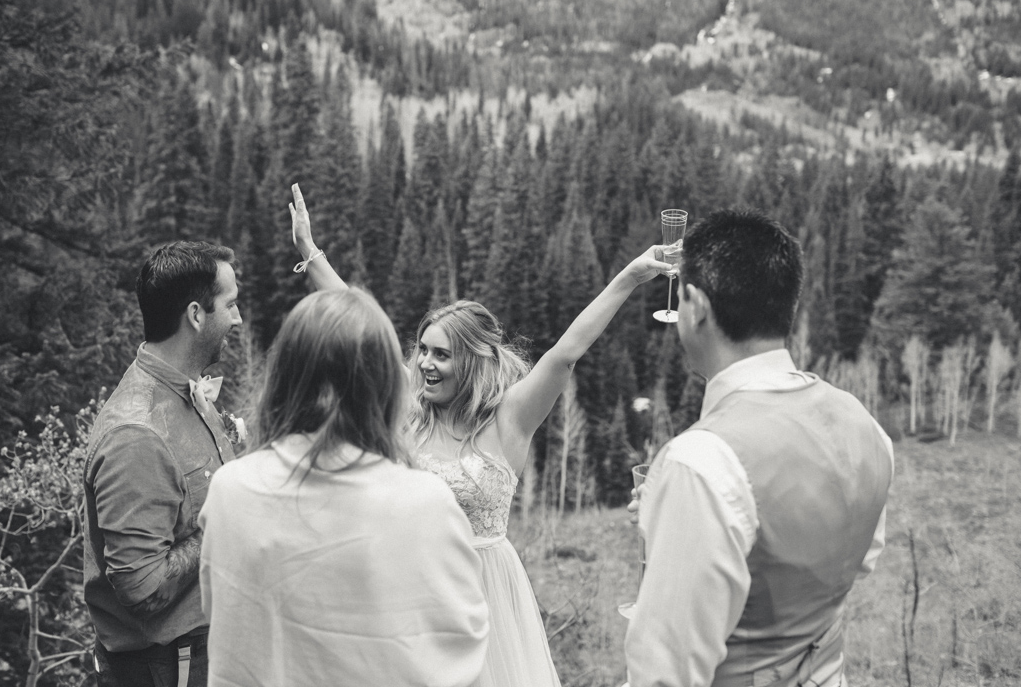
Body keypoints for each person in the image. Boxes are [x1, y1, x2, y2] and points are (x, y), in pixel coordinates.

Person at [288, 183, 673, 687]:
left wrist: (630, 276)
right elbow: (361, 328)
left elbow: (565, 353)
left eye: (441, 354)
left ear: (472, 360)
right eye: (422, 349)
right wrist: (309, 252)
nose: (425, 362)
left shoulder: (509, 418)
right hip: (411, 588)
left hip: (483, 592)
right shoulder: (409, 405)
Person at [621, 209, 894, 687]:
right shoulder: (863, 423)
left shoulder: (699, 463)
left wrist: (678, 517)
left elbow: (664, 670)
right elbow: (860, 557)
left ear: (696, 305)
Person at [199, 288, 490, 686]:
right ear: (385, 386)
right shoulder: (424, 503)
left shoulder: (229, 490)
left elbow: (223, 619)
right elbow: (461, 650)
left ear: (282, 377)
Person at [83, 241, 243, 687]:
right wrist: (227, 520)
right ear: (196, 315)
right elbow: (144, 588)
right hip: (167, 667)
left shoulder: (184, 392)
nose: (238, 318)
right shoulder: (136, 433)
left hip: (200, 652)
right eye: (230, 305)